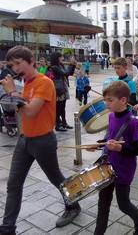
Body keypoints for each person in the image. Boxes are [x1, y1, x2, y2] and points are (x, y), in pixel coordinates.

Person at [0, 46, 81, 235]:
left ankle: (73, 206)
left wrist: (12, 93)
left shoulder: (44, 82)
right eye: (12, 65)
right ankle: (7, 228)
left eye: (19, 64)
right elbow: (21, 109)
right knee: (13, 184)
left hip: (43, 141)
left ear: (31, 61)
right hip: (24, 140)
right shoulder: (25, 83)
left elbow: (31, 111)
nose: (16, 68)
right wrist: (14, 96)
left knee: (56, 179)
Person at [91, 81, 138, 235]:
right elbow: (110, 138)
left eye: (110, 100)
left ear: (123, 100)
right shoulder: (110, 117)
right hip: (108, 166)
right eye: (105, 100)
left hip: (124, 169)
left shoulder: (133, 122)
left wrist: (119, 148)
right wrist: (98, 145)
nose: (106, 103)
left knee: (123, 204)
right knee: (103, 204)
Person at [49, 52, 72, 132]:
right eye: (61, 56)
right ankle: (58, 125)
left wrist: (73, 65)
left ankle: (64, 123)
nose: (63, 58)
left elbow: (68, 74)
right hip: (58, 89)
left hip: (63, 87)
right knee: (58, 108)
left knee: (63, 107)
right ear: (57, 58)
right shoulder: (54, 67)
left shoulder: (61, 65)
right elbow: (64, 73)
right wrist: (71, 65)